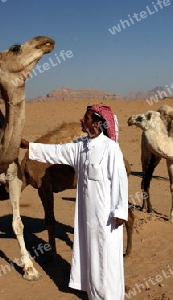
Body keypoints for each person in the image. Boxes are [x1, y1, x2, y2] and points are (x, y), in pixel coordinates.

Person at [21, 105, 128, 300]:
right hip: (87, 214)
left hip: (107, 216)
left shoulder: (111, 148)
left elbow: (120, 179)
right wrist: (31, 146)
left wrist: (120, 211)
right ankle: (95, 293)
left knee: (106, 254)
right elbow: (58, 152)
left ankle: (111, 295)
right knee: (91, 253)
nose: (81, 120)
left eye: (85, 118)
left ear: (96, 123)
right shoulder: (81, 146)